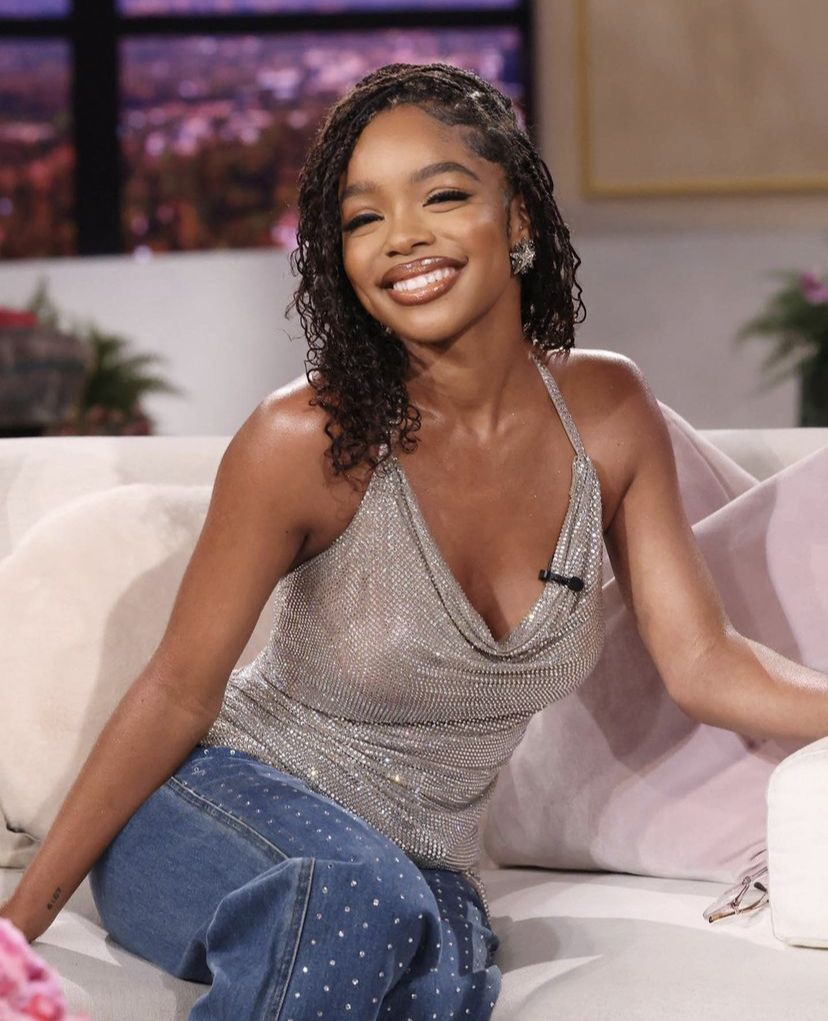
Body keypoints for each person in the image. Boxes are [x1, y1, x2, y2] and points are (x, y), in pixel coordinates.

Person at [3, 61, 827, 1021]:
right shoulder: (307, 438)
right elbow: (176, 689)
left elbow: (706, 662)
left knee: (436, 977)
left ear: (516, 219)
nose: (402, 237)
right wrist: (18, 926)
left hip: (416, 866)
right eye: (364, 218)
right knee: (364, 906)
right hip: (211, 815)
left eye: (442, 196)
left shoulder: (607, 414)